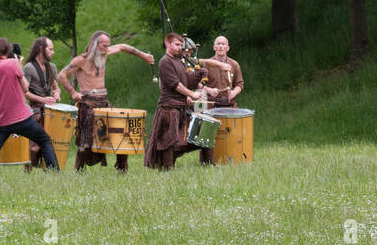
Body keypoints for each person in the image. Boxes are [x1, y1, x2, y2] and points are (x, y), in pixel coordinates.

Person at [57, 30, 155, 171]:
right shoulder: (81, 60)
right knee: (87, 142)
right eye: (104, 45)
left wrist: (144, 56)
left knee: (120, 134)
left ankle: (122, 169)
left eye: (108, 45)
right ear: (94, 45)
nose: (106, 48)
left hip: (104, 103)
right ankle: (79, 169)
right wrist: (73, 92)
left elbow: (122, 47)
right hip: (88, 104)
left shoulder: (104, 54)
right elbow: (62, 75)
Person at [143, 33, 231, 170]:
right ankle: (167, 169)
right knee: (169, 140)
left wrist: (199, 74)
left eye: (181, 45)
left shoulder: (179, 61)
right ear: (167, 43)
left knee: (203, 135)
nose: (180, 48)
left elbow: (187, 81)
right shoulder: (165, 62)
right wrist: (191, 94)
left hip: (182, 108)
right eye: (177, 45)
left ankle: (210, 166)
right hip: (169, 108)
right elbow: (175, 84)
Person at [0, 38, 58, 172]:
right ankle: (55, 173)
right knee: (44, 141)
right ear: (7, 51)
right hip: (21, 118)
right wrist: (19, 68)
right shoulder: (12, 64)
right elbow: (25, 88)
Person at [23, 36, 61, 169]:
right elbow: (24, 92)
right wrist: (42, 99)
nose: (53, 52)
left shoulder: (52, 67)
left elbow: (56, 87)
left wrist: (57, 93)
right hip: (36, 111)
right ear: (41, 49)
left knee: (50, 142)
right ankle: (28, 172)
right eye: (50, 49)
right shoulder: (29, 67)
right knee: (35, 145)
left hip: (50, 111)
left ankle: (50, 170)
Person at [203, 36, 244, 108]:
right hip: (211, 104)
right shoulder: (207, 64)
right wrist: (209, 90)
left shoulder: (234, 64)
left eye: (223, 44)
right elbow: (199, 85)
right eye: (218, 44)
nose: (221, 46)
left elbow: (239, 84)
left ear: (228, 48)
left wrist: (234, 92)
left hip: (229, 103)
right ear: (214, 47)